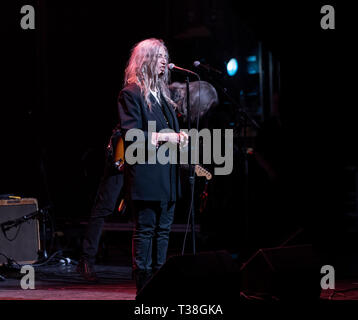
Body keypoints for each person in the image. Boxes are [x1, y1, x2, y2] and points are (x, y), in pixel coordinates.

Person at [118, 38, 188, 293]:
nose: (164, 62)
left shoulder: (163, 95)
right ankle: (144, 285)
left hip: (167, 174)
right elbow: (132, 135)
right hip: (146, 173)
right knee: (146, 229)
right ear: (146, 60)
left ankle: (161, 281)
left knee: (164, 230)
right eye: (159, 56)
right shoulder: (131, 93)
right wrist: (166, 137)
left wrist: (180, 138)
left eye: (165, 56)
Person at [77, 125, 125, 281]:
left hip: (143, 149)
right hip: (125, 143)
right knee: (103, 207)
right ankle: (86, 259)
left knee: (143, 206)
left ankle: (143, 266)